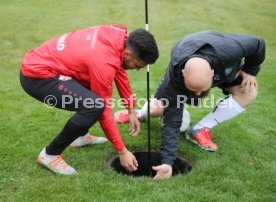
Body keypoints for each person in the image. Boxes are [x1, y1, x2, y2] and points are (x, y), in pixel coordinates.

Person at [114, 30, 266, 179]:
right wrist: (167, 163)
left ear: (212, 74)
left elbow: (259, 43)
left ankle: (200, 129)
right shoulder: (174, 79)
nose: (198, 95)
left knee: (249, 91)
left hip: (226, 67)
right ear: (183, 74)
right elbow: (172, 124)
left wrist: (250, 70)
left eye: (202, 89)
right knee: (159, 108)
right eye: (193, 90)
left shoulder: (230, 49)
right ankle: (140, 114)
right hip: (188, 69)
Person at [20, 24, 159, 175]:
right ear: (128, 54)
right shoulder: (103, 61)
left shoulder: (116, 37)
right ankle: (49, 154)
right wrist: (122, 151)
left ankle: (81, 136)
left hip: (49, 63)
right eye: (138, 65)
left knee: (91, 94)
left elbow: (119, 71)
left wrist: (131, 109)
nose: (138, 69)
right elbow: (104, 110)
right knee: (94, 105)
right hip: (37, 76)